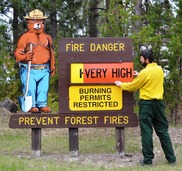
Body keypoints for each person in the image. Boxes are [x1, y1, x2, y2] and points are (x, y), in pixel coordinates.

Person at [114, 49, 176, 165]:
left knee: (147, 131)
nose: (140, 60)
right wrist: (139, 75)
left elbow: (133, 86)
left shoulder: (145, 73)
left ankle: (148, 160)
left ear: (147, 60)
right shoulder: (159, 69)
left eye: (142, 59)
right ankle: (171, 158)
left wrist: (120, 84)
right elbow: (150, 79)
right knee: (163, 131)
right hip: (159, 104)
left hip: (147, 104)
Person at [14, 9, 55, 113]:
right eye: (34, 21)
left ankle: (42, 104)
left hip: (44, 69)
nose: (38, 24)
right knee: (30, 88)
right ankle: (31, 105)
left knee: (43, 88)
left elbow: (51, 52)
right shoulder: (25, 37)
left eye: (40, 21)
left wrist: (52, 65)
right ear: (29, 22)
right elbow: (17, 54)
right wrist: (25, 57)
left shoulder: (47, 37)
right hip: (29, 69)